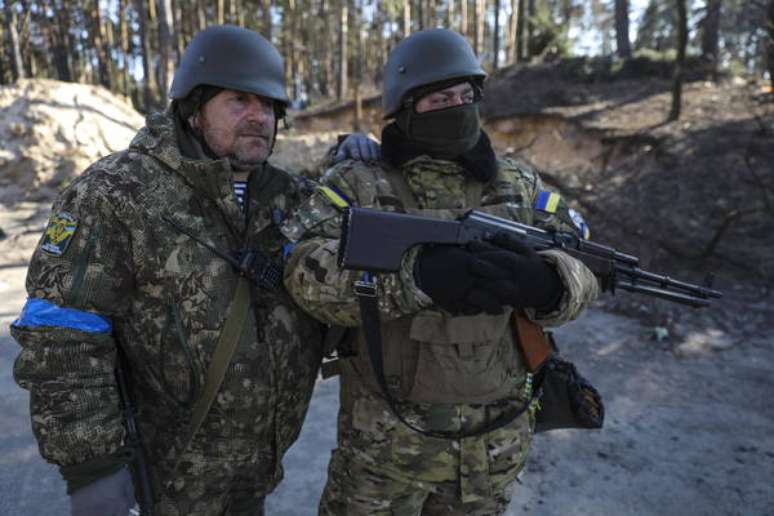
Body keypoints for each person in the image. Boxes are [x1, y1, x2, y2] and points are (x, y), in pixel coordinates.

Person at [11, 24, 377, 516]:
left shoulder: (289, 199)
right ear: (193, 107)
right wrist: (91, 468)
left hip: (255, 475)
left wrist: (361, 164)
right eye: (240, 100)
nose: (259, 117)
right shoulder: (117, 193)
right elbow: (62, 332)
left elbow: (338, 266)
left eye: (269, 106)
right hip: (166, 483)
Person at [281, 28, 600, 515]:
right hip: (383, 457)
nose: (456, 106)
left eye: (464, 95)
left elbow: (585, 260)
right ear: (406, 107)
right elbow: (302, 269)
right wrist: (416, 277)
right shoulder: (358, 183)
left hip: (491, 455)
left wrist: (551, 283)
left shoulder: (518, 183)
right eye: (438, 98)